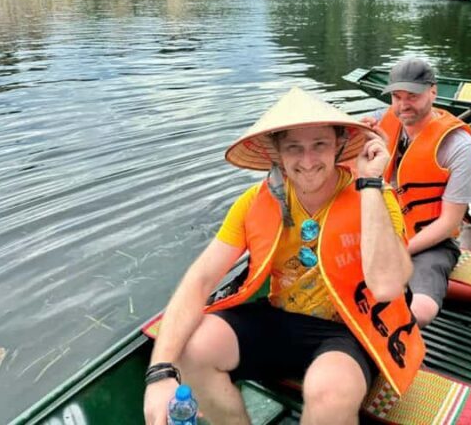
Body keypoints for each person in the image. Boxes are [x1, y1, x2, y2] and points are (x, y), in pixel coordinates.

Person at [143, 87, 423, 425]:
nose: (307, 161)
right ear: (277, 153)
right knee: (191, 351)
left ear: (337, 144)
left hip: (349, 327)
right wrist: (160, 373)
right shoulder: (254, 202)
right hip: (280, 316)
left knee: (329, 395)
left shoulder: (374, 196)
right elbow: (199, 280)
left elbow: (388, 285)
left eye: (319, 144)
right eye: (294, 148)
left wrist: (369, 184)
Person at [361, 59, 471, 327]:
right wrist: (361, 137)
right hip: (382, 226)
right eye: (396, 96)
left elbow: (449, 222)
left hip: (430, 241)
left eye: (412, 96)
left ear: (433, 92)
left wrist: (398, 250)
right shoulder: (385, 121)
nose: (403, 105)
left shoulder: (458, 147)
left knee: (422, 310)